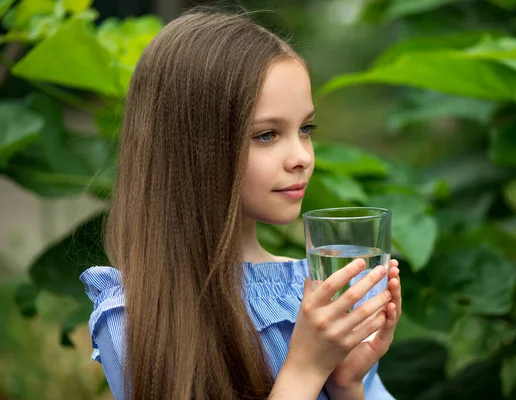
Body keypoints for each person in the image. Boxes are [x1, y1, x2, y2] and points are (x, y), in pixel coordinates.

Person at [79, 7, 402, 400]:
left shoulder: (313, 293)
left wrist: (347, 383)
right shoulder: (138, 318)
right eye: (266, 135)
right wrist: (304, 369)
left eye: (305, 129)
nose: (301, 155)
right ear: (191, 149)